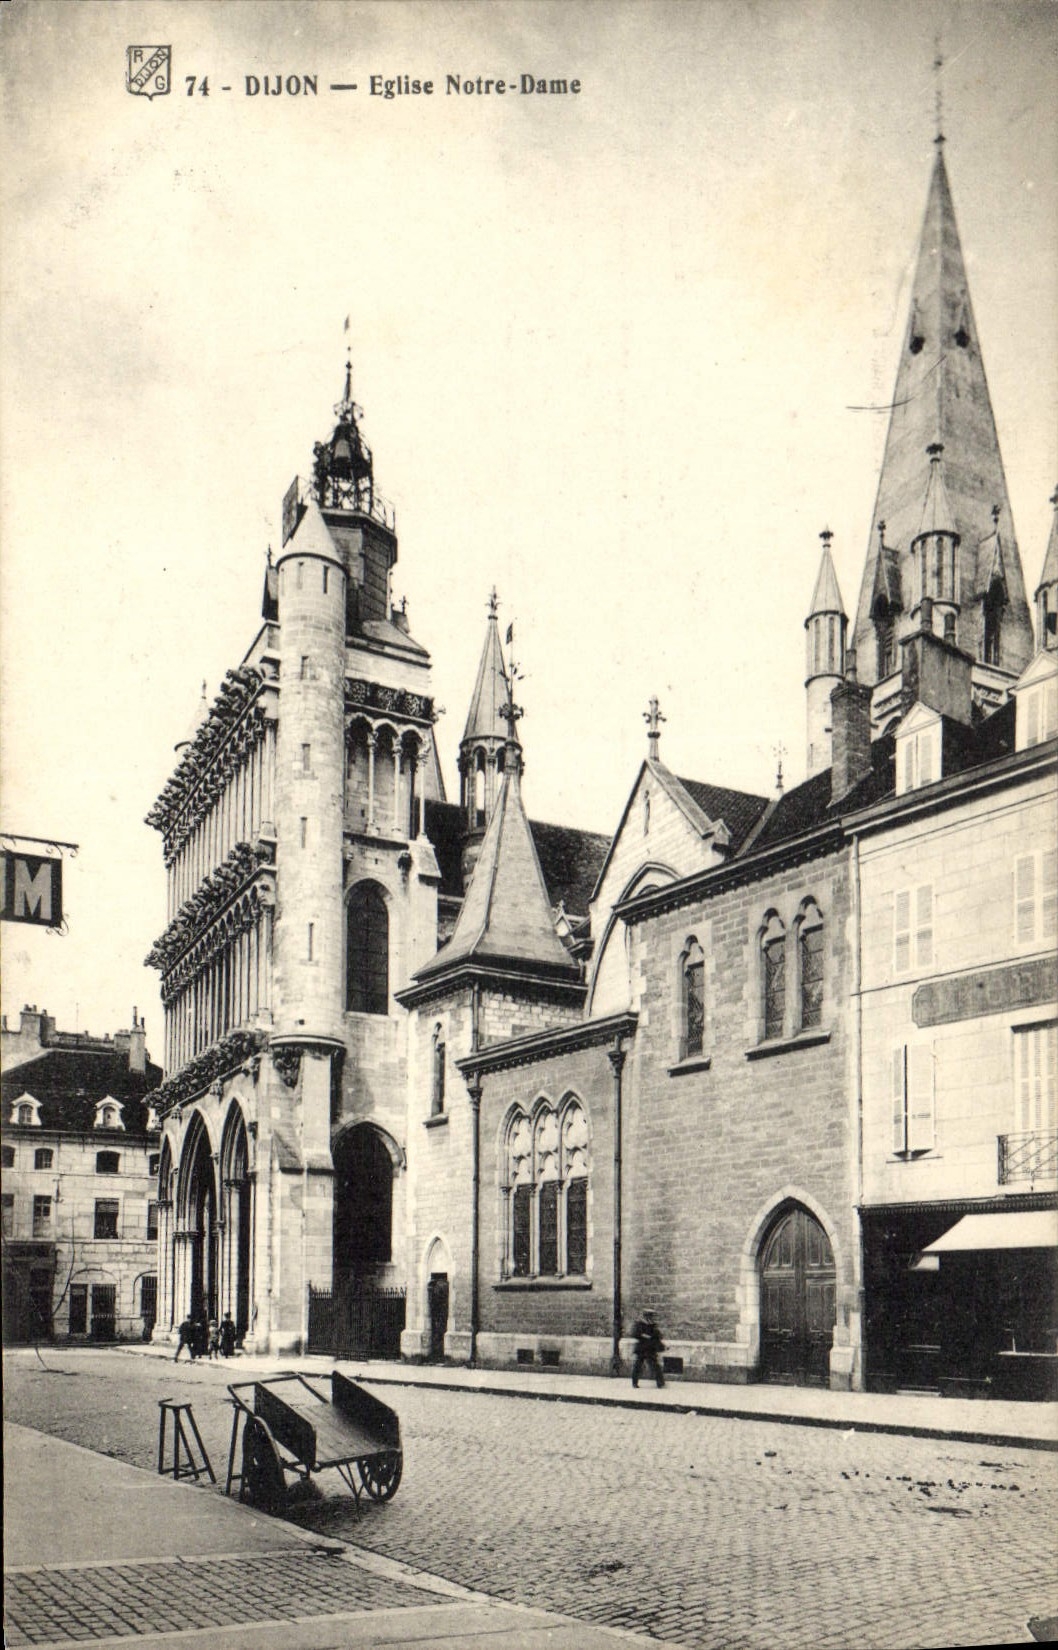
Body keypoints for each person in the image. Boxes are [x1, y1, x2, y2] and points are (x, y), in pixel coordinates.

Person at [631, 1308, 665, 1389]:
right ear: (645, 1316)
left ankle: (660, 1383)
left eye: (651, 1316)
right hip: (642, 1348)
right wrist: (645, 1336)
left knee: (655, 1366)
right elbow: (635, 1333)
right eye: (650, 1315)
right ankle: (634, 1382)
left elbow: (657, 1335)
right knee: (638, 1366)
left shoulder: (653, 1325)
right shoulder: (639, 1324)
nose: (651, 1317)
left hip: (650, 1349)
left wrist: (659, 1340)